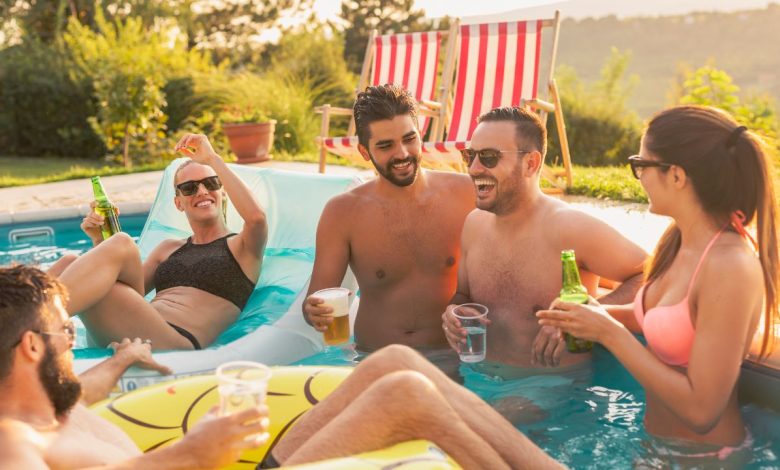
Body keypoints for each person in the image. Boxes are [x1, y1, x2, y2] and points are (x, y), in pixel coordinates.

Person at [1, 266, 563, 469]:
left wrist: (122, 358)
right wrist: (190, 454)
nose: (74, 342)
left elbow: (86, 387)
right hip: (204, 463)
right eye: (65, 332)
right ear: (31, 347)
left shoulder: (55, 401)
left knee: (395, 361)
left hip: (240, 464)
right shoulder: (11, 440)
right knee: (406, 396)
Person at [537, 105, 778, 463]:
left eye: (641, 165)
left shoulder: (731, 265)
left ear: (676, 175)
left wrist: (609, 333)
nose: (639, 176)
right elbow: (659, 319)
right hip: (655, 447)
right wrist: (588, 315)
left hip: (709, 458)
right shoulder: (679, 240)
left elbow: (702, 411)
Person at [440, 107, 647, 415]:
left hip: (552, 388)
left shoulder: (569, 227)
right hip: (479, 378)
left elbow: (652, 273)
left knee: (477, 428)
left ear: (530, 163)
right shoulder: (474, 224)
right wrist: (454, 313)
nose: (473, 168)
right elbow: (464, 297)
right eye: (469, 155)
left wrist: (587, 315)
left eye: (489, 157)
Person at [302, 85, 475, 358]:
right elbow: (315, 301)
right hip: (375, 358)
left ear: (421, 136)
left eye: (410, 139)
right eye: (385, 146)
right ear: (364, 151)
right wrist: (314, 311)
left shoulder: (467, 194)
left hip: (454, 357)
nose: (403, 153)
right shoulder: (342, 213)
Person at [54, 133, 267, 350]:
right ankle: (26, 314)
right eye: (189, 188)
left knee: (122, 243)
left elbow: (257, 218)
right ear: (179, 203)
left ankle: (30, 319)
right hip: (133, 329)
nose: (202, 191)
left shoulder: (241, 248)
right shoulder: (168, 249)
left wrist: (212, 159)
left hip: (176, 341)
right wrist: (99, 240)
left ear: (222, 192)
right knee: (68, 261)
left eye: (210, 183)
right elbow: (124, 289)